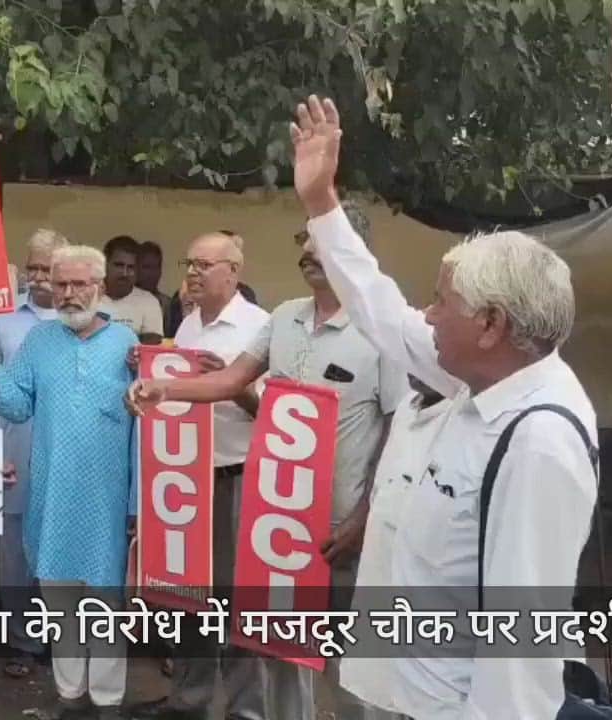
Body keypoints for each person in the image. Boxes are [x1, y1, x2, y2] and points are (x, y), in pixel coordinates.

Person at [287, 95, 597, 719]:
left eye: (440, 302)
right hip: (396, 686)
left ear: (491, 324)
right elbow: (378, 308)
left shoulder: (538, 439)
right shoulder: (477, 377)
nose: (425, 316)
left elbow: (522, 647)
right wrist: (322, 204)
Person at [127, 201, 407, 720]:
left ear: (352, 251)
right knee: (280, 651)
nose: (306, 252)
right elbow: (232, 380)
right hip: (278, 520)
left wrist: (362, 521)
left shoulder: (382, 333)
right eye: (303, 241)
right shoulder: (284, 319)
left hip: (342, 526)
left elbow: (397, 438)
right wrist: (166, 385)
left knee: (350, 664)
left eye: (319, 243)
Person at [0, 245, 136, 720]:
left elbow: (147, 426)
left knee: (104, 604)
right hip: (53, 494)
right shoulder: (40, 341)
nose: (68, 294)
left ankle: (107, 701)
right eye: (61, 284)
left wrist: (138, 503)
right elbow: (15, 405)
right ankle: (70, 696)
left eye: (79, 284)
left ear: (98, 287)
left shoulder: (128, 345)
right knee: (60, 600)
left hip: (108, 499)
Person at [126, 231, 270, 720]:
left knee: (237, 599)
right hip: (185, 479)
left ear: (234, 271)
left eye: (206, 264)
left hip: (238, 477)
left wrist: (231, 385)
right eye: (190, 262)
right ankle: (190, 701)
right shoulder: (185, 328)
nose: (192, 272)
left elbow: (276, 418)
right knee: (185, 595)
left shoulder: (260, 328)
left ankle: (246, 709)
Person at [339, 376, 450, 717]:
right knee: (369, 690)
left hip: (432, 601)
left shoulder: (465, 417)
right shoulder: (407, 407)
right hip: (379, 576)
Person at [0, 229, 68, 680]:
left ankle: (65, 640)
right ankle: (22, 641)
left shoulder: (89, 320)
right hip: (15, 449)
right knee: (16, 554)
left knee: (62, 550)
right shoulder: (2, 320)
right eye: (32, 267)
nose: (39, 277)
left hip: (70, 456)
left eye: (48, 269)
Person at [100, 236, 164, 344]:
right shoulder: (89, 296)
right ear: (105, 264)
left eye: (130, 267)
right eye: (119, 265)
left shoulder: (149, 302)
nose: (124, 273)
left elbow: (149, 348)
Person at [136, 241, 170, 310]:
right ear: (136, 268)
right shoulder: (123, 300)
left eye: (156, 267)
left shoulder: (168, 305)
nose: (152, 273)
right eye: (147, 267)